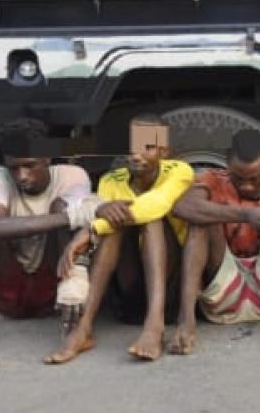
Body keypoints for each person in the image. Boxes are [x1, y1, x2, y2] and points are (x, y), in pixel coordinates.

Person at [45, 114, 195, 364]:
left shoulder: (179, 171)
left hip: (172, 285)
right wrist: (99, 225)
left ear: (164, 151)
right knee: (115, 222)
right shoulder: (110, 181)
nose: (135, 156)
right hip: (130, 286)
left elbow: (155, 204)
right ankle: (83, 329)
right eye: (130, 148)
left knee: (151, 218)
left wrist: (89, 229)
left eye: (146, 148)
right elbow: (110, 218)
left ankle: (154, 326)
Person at [0, 119, 96, 357]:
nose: (21, 176)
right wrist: (70, 218)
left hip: (51, 282)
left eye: (29, 165)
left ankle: (71, 322)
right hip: (6, 288)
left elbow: (72, 219)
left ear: (47, 159)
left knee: (61, 208)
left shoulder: (72, 175)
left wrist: (65, 217)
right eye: (13, 167)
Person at [167, 130, 260, 354]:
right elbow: (182, 208)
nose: (247, 186)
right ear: (227, 164)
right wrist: (244, 215)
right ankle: (186, 322)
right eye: (238, 178)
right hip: (222, 288)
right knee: (200, 219)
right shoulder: (212, 178)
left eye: (254, 179)